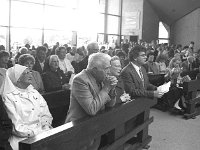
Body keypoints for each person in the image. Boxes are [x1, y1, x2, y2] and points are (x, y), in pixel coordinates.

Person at [65, 53, 118, 150]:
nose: (109, 72)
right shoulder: (80, 79)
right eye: (106, 68)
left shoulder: (101, 77)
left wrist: (112, 89)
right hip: (79, 127)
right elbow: (91, 109)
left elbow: (110, 105)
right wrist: (106, 88)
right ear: (94, 70)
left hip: (95, 125)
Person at [1, 64, 53, 150]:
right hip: (23, 140)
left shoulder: (33, 92)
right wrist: (37, 132)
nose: (30, 75)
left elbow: (46, 113)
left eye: (30, 72)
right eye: (25, 73)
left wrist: (46, 126)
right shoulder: (8, 97)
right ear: (17, 78)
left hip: (43, 133)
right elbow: (16, 127)